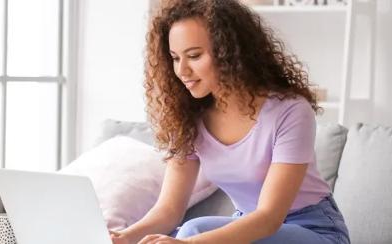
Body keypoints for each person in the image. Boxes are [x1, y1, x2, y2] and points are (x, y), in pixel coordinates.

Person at [111, 0, 350, 243]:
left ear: (230, 52)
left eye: (194, 56)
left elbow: (269, 217)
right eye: (174, 58)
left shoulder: (290, 111)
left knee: (192, 233)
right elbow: (168, 210)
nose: (182, 70)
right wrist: (123, 237)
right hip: (247, 226)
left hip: (313, 229)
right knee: (188, 230)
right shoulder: (188, 119)